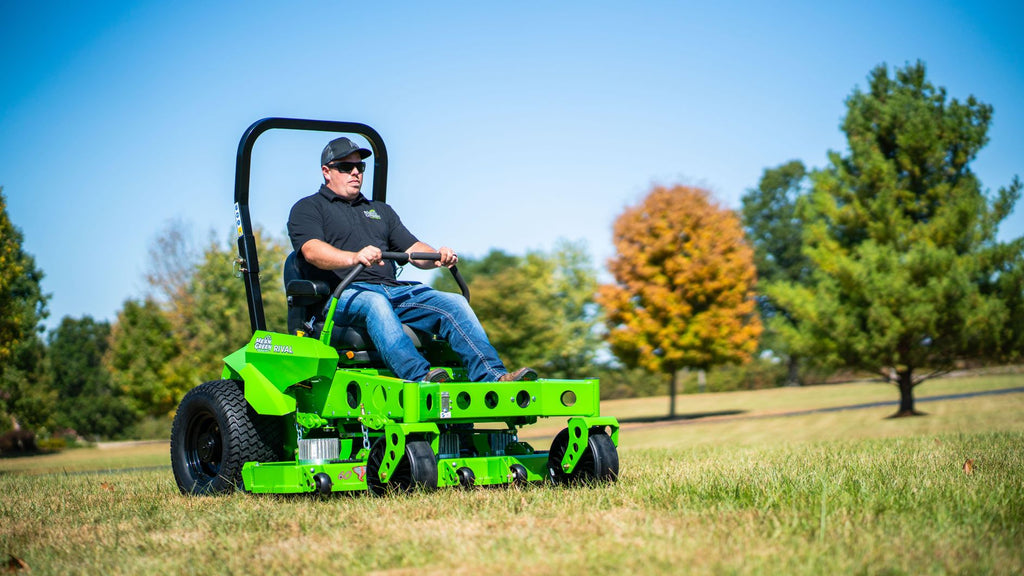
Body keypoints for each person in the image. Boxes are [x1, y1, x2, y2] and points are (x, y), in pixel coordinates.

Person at [287, 136, 537, 384]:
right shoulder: (308, 208)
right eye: (345, 167)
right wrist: (355, 256)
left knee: (454, 302)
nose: (355, 172)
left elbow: (413, 248)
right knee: (375, 303)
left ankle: (493, 377)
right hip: (343, 295)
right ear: (326, 172)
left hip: (394, 292)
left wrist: (437, 257)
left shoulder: (380, 211)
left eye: (360, 167)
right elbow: (312, 250)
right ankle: (421, 378)